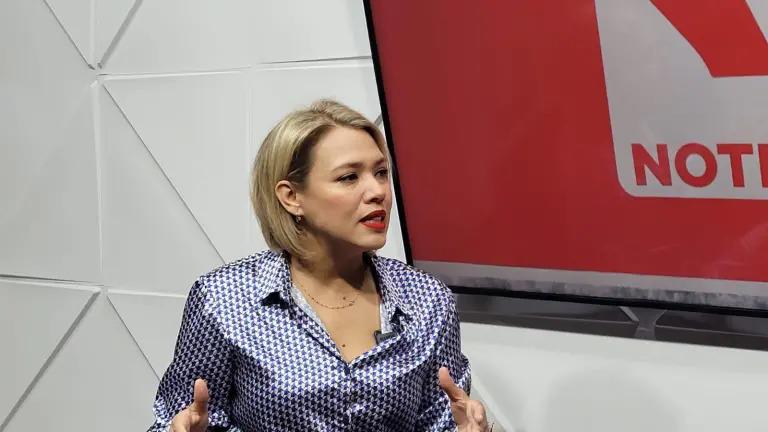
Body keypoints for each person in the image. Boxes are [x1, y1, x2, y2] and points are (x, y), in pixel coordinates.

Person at [147, 99, 490, 431]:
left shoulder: (428, 300)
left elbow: (442, 421)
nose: (378, 192)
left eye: (381, 172)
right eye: (349, 177)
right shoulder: (225, 298)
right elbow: (176, 419)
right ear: (291, 197)